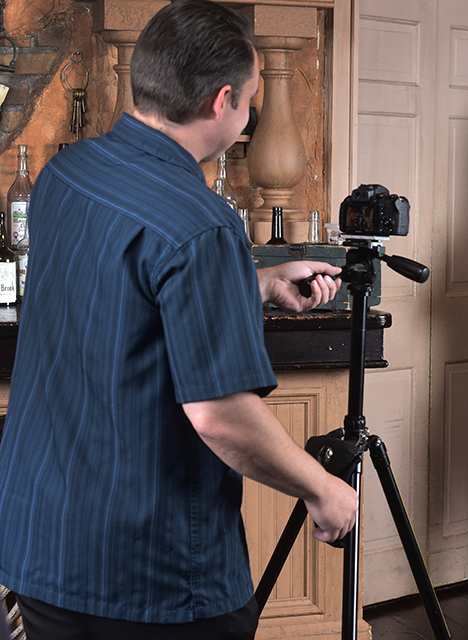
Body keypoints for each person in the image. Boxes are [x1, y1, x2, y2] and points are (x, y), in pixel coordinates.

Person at [0, 1, 358, 636]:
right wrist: (321, 487)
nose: (248, 112)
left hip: (39, 548)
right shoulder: (203, 224)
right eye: (251, 99)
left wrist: (257, 284)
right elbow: (220, 417)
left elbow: (122, 298)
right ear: (223, 103)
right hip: (145, 575)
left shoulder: (65, 175)